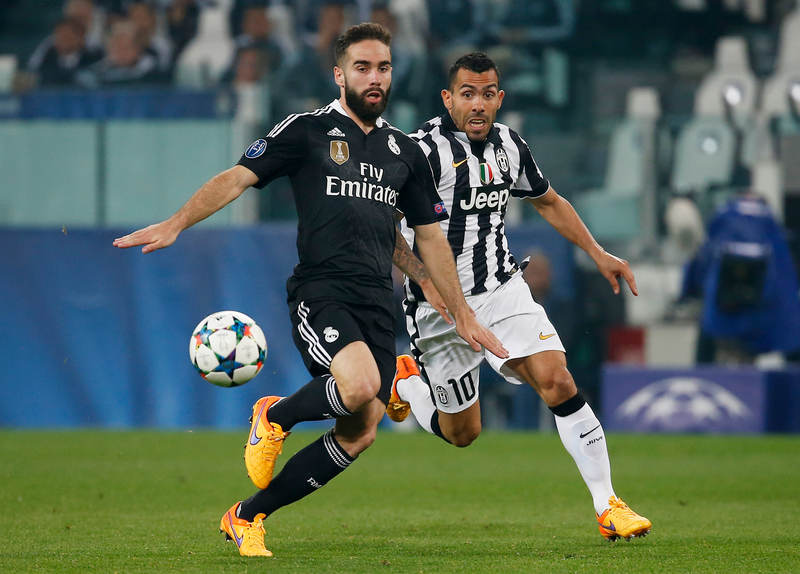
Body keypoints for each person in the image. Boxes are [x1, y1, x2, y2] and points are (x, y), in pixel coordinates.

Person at [113, 24, 507, 558]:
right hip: (321, 290)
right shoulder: (307, 130)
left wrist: (452, 304)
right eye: (363, 68)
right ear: (339, 74)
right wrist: (179, 221)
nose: (374, 78)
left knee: (362, 430)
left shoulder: (403, 151)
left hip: (374, 300)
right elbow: (237, 176)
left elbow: (424, 236)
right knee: (363, 384)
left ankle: (246, 516)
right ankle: (274, 416)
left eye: (384, 68)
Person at [388, 52, 652, 541]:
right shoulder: (417, 152)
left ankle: (608, 505)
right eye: (467, 93)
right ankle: (406, 386)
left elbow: (548, 200)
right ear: (448, 99)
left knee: (557, 379)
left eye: (488, 94)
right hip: (438, 310)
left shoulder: (510, 146)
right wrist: (423, 280)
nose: (478, 104)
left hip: (501, 290)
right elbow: (383, 223)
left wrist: (598, 252)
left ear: (499, 98)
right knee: (462, 434)